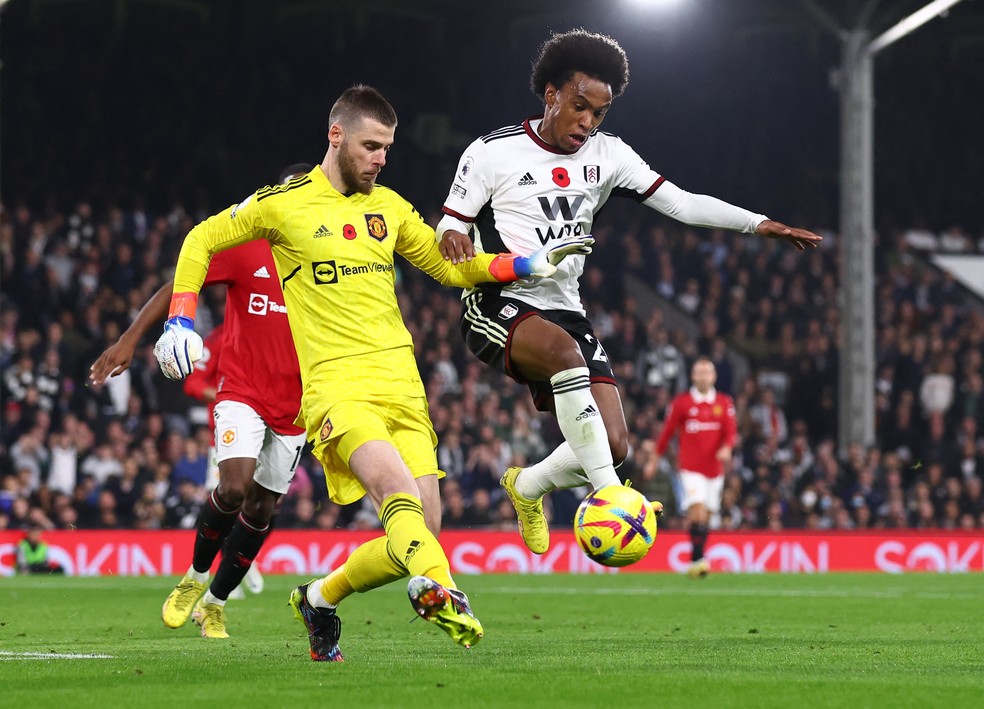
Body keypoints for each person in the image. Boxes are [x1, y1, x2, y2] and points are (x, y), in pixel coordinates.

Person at [150, 85, 592, 661]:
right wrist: (181, 316)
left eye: (387, 148)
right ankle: (446, 591)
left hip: (402, 387)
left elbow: (451, 269)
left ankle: (319, 598)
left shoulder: (390, 208)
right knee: (397, 497)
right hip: (337, 390)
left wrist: (523, 264)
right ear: (336, 136)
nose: (382, 159)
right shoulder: (284, 204)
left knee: (421, 531)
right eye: (371, 146)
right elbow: (202, 238)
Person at [436, 29, 820, 554]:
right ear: (550, 95)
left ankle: (527, 486)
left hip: (566, 307)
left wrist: (759, 224)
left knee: (614, 444)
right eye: (579, 106)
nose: (587, 122)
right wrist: (454, 234)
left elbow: (682, 204)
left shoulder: (609, 155)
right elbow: (448, 226)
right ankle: (611, 497)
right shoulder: (491, 153)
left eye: (599, 113)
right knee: (566, 363)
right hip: (497, 300)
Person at [90, 163, 313, 638]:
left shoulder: (323, 262)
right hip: (242, 391)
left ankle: (215, 602)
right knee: (234, 488)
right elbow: (180, 281)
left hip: (298, 406)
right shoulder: (245, 248)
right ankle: (193, 578)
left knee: (262, 510)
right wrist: (130, 338)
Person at [653, 358, 737, 577]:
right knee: (697, 510)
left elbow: (730, 432)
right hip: (690, 468)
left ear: (714, 376)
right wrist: (655, 458)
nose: (703, 376)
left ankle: (696, 558)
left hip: (715, 470)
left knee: (707, 515)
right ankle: (698, 561)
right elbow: (667, 431)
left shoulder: (724, 402)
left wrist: (727, 448)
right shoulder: (682, 403)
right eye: (699, 372)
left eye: (707, 372)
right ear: (693, 376)